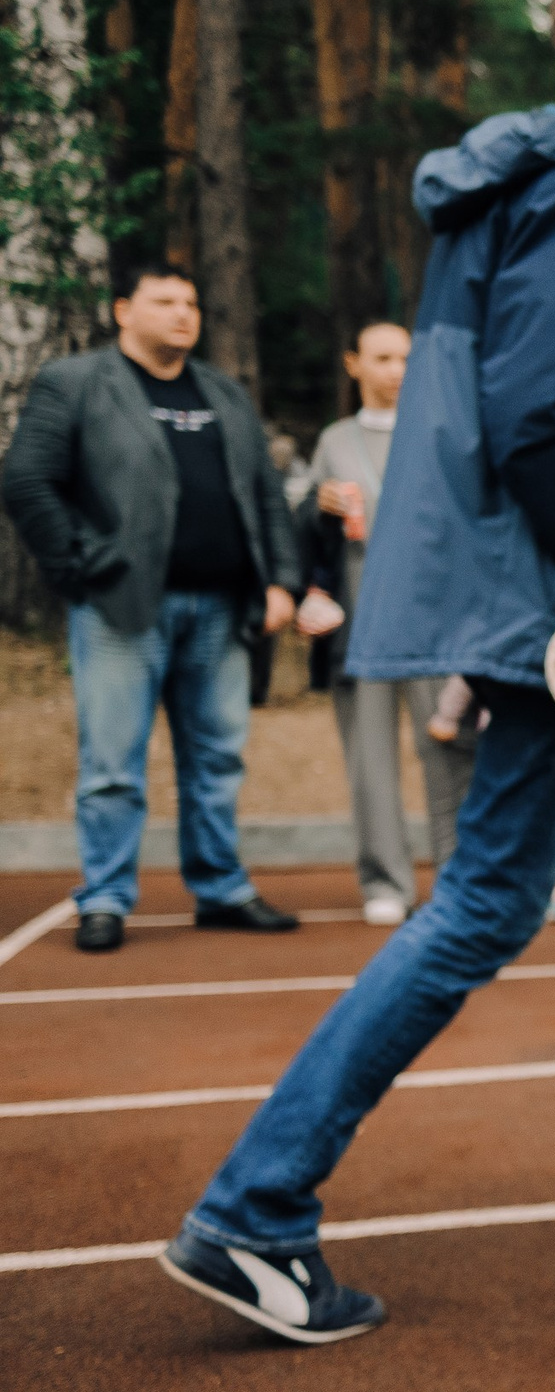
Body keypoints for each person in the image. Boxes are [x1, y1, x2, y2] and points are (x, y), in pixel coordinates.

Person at [158, 0, 555, 1343]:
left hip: (519, 584)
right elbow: (543, 414)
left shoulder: (519, 182)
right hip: (547, 599)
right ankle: (255, 1206)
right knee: (483, 904)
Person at [0, 260, 304, 954]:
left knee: (218, 758)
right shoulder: (76, 384)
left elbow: (264, 493)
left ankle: (221, 887)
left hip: (222, 610)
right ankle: (105, 897)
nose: (182, 313)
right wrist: (81, 563)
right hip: (120, 608)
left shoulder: (224, 393)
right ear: (122, 311)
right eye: (164, 300)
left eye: (191, 302)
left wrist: (280, 579)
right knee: (112, 764)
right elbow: (26, 481)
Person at [297, 321, 478, 926]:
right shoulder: (334, 441)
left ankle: (456, 878)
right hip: (363, 627)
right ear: (354, 364)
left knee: (447, 750)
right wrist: (314, 504)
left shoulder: (441, 433)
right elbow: (303, 520)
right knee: (369, 759)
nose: (395, 369)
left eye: (405, 358)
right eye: (381, 357)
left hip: (433, 623)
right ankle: (386, 881)